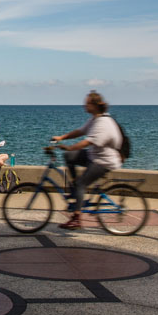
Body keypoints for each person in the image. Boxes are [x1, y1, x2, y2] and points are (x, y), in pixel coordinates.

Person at [47, 91, 123, 230]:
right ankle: (75, 186)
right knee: (68, 157)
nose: (84, 105)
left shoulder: (103, 123)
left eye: (87, 103)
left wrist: (70, 147)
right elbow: (80, 131)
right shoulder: (94, 119)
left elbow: (86, 142)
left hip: (104, 161)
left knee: (82, 183)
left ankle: (77, 218)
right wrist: (61, 138)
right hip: (94, 156)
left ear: (94, 105)